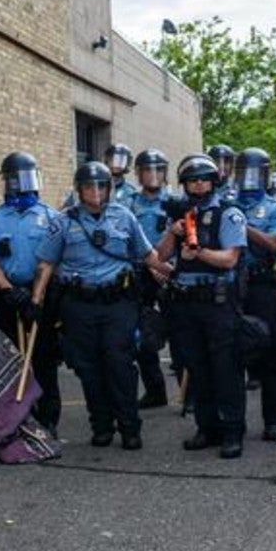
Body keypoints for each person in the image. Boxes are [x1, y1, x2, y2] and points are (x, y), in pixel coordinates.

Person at [31, 162, 170, 450]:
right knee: (88, 367)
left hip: (117, 302)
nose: (95, 192)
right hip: (78, 305)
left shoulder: (124, 216)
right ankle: (102, 425)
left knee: (119, 363)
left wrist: (175, 271)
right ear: (79, 190)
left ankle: (130, 426)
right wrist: (36, 300)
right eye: (89, 186)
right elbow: (47, 263)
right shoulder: (63, 221)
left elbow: (148, 255)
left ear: (109, 188)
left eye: (101, 186)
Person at [156, 155, 249, 458]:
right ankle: (206, 428)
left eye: (204, 178)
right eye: (192, 180)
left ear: (213, 181)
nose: (198, 184)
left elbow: (230, 259)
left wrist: (199, 253)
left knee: (226, 369)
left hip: (218, 303)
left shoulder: (228, 214)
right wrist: (174, 232)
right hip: (186, 303)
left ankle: (232, 431)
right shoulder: (181, 216)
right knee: (197, 368)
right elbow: (160, 256)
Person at [0, 151, 63, 434]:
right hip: (8, 295)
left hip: (39, 296)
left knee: (43, 359)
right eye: (18, 179)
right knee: (10, 360)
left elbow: (50, 260)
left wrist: (35, 296)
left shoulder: (50, 216)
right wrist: (7, 290)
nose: (25, 185)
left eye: (29, 177)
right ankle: (15, 420)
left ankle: (48, 418)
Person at [233, 148, 276, 440]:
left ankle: (273, 421)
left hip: (262, 286)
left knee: (270, 352)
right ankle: (232, 424)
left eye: (255, 173)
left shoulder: (274, 209)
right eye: (243, 172)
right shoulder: (226, 203)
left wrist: (243, 227)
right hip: (230, 286)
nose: (249, 179)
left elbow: (274, 244)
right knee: (230, 355)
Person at [129, 148, 173, 409]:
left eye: (158, 169)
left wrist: (165, 266)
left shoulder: (175, 202)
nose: (153, 175)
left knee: (180, 332)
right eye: (147, 169)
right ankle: (155, 391)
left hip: (169, 271)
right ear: (139, 174)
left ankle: (189, 396)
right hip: (141, 272)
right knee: (144, 334)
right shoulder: (130, 204)